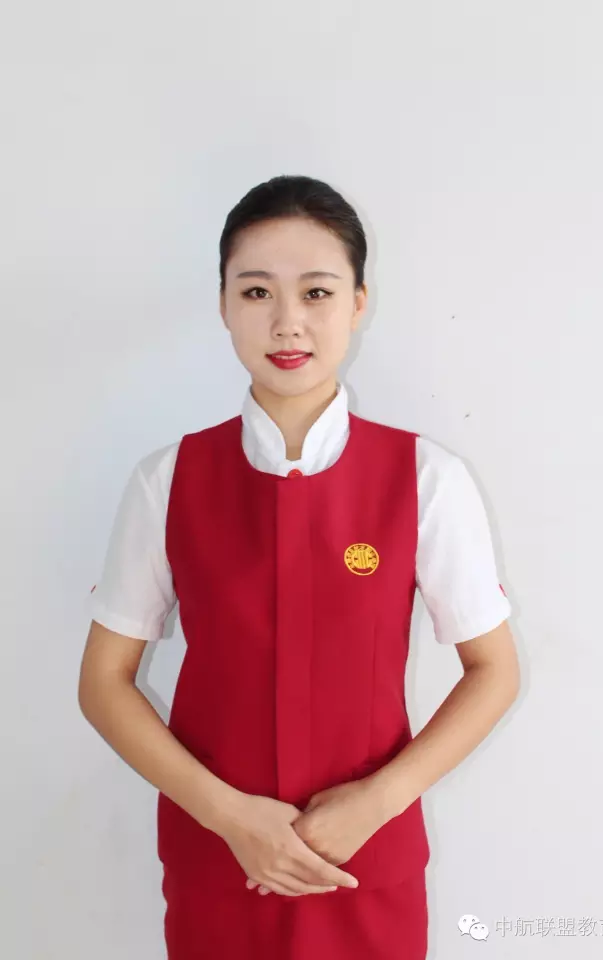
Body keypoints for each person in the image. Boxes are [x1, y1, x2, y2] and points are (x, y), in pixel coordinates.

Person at [78, 174, 520, 959]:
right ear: (222, 304)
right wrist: (228, 815)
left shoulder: (425, 478)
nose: (288, 321)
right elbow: (104, 683)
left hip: (365, 866)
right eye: (257, 292)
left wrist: (377, 802)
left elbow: (494, 671)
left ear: (358, 302)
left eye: (317, 292)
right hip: (220, 864)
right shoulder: (168, 481)